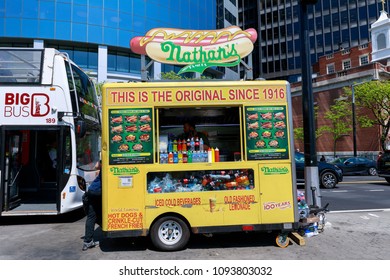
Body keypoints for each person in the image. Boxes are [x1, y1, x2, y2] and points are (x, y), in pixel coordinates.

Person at [82, 161, 102, 251]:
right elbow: (96, 166)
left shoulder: (104, 164)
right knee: (98, 214)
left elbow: (96, 166)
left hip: (92, 191)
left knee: (92, 216)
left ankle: (87, 242)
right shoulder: (106, 164)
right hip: (97, 192)